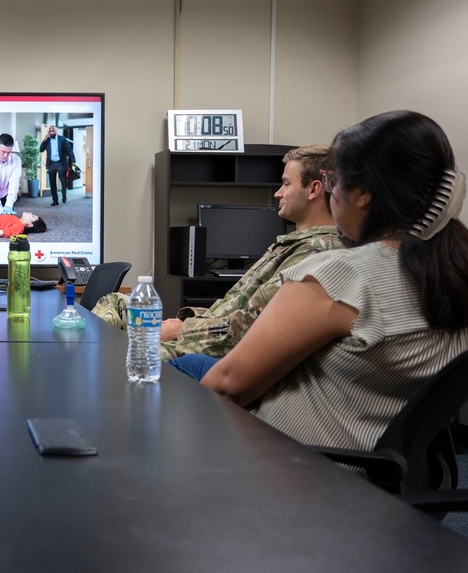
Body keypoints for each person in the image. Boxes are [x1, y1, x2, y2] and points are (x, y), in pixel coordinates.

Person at [201, 111, 468, 454]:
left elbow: (226, 388)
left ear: (363, 195)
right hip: (379, 478)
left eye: (334, 181)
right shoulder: (454, 271)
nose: (330, 192)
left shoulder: (337, 275)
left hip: (293, 476)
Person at [93, 145, 342, 377]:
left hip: (214, 351)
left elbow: (251, 326)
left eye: (286, 184)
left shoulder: (314, 253)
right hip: (202, 333)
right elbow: (234, 310)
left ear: (313, 189)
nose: (278, 192)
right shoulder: (292, 244)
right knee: (117, 301)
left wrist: (182, 330)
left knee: (114, 356)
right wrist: (184, 321)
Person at [39, 125, 76, 206]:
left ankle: (64, 194)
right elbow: (41, 149)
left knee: (63, 180)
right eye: (50, 132)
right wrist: (44, 140)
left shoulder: (62, 139)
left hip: (61, 163)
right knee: (52, 183)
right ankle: (55, 200)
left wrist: (73, 161)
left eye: (53, 131)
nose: (52, 133)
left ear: (56, 131)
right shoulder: (47, 140)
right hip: (51, 163)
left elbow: (69, 150)